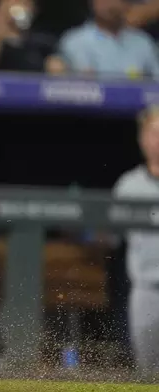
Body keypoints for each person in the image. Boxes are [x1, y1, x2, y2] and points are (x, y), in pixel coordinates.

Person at [113, 105, 159, 375]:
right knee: (149, 375)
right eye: (153, 133)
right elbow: (111, 237)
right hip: (147, 290)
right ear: (142, 138)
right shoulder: (128, 185)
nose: (158, 140)